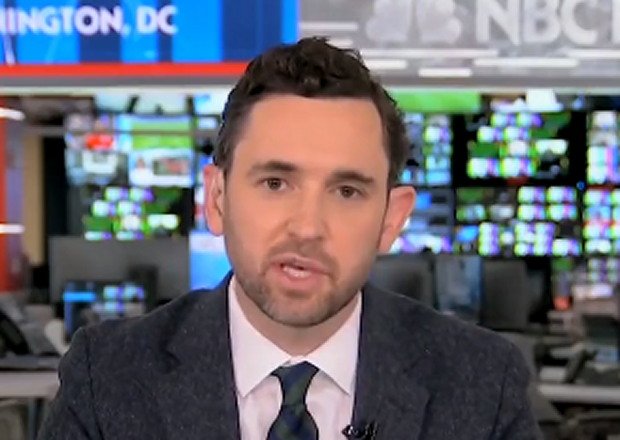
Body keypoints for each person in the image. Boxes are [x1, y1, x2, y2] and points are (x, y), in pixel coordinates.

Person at [38, 38, 541, 440]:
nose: (307, 227)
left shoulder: (482, 383)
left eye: (347, 191)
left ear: (392, 218)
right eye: (275, 183)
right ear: (217, 198)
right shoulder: (108, 378)